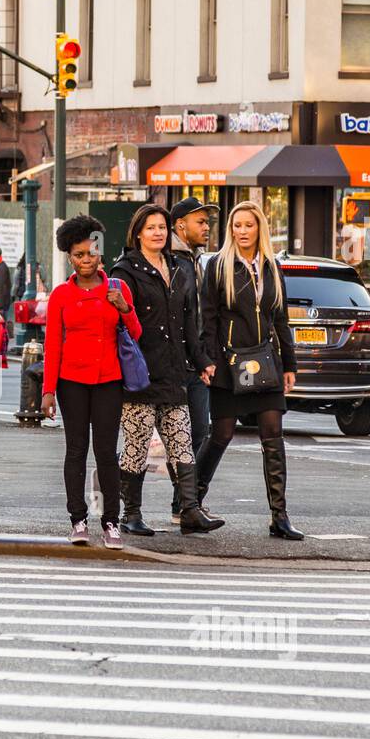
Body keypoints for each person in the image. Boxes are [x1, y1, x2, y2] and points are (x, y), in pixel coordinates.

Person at [111, 204, 223, 537]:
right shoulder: (124, 272)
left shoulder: (178, 267)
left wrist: (201, 361)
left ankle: (189, 510)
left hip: (175, 371)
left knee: (182, 442)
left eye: (162, 227)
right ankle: (130, 514)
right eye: (151, 228)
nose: (158, 233)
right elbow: (119, 327)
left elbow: (189, 321)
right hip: (140, 375)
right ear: (138, 234)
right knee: (137, 445)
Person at [195, 201, 303, 541]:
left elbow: (281, 318)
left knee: (273, 435)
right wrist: (207, 360)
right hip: (228, 364)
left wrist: (290, 364)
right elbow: (207, 319)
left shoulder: (272, 266)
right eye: (236, 226)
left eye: (248, 225)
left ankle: (279, 516)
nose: (242, 231)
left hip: (267, 362)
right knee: (222, 433)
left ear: (260, 229)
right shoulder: (218, 266)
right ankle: (190, 503)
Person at [41, 214, 141, 550]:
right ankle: (78, 518)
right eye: (79, 255)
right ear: (69, 257)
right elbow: (53, 343)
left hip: (108, 379)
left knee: (106, 454)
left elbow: (136, 334)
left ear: (101, 253)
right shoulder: (61, 295)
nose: (86, 260)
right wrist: (48, 391)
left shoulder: (118, 288)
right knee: (76, 451)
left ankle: (110, 520)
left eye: (92, 254)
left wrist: (124, 308)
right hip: (71, 381)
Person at [168, 196, 218, 522]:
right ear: (181, 224)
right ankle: (120, 497)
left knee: (200, 434)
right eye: (201, 222)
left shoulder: (196, 259)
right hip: (173, 365)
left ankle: (185, 505)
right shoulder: (170, 259)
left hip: (196, 364)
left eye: (208, 222)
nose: (207, 228)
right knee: (151, 439)